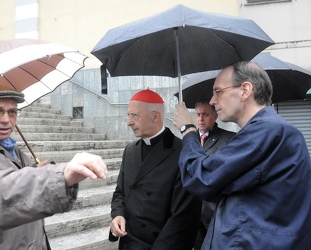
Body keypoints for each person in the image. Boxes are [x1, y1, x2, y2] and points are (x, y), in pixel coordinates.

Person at [0, 84, 108, 250]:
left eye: (12, 112)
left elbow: (14, 180)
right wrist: (58, 176)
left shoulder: (10, 147)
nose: (6, 119)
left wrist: (36, 171)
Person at [173, 61, 311, 249]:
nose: (212, 101)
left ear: (245, 90)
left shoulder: (268, 132)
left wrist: (188, 130)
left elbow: (202, 178)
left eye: (218, 91)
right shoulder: (268, 132)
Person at [109, 88, 201, 250]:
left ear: (156, 116)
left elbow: (183, 218)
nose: (129, 122)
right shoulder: (130, 150)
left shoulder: (182, 152)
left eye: (134, 115)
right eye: (128, 115)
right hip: (128, 242)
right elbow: (120, 193)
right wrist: (117, 214)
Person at [192, 101, 236, 250]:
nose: (201, 119)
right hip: (191, 210)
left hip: (216, 210)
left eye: (205, 114)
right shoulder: (189, 139)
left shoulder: (229, 139)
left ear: (215, 116)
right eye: (198, 114)